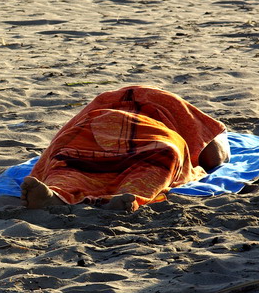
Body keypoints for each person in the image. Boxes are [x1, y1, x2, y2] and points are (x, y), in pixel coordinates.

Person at [21, 86, 230, 212]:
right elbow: (215, 157)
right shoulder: (176, 106)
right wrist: (221, 134)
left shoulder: (101, 101)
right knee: (160, 158)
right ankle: (128, 196)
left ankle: (57, 194)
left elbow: (59, 140)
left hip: (93, 129)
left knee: (70, 160)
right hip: (150, 136)